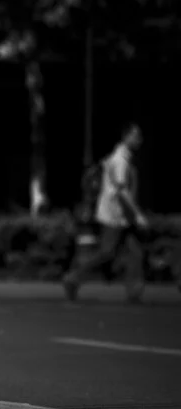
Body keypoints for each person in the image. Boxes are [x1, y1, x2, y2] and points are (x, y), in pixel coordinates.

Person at [63, 122, 147, 303]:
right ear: (126, 137)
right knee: (107, 253)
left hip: (122, 216)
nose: (139, 140)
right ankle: (73, 278)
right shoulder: (120, 160)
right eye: (136, 136)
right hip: (114, 216)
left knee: (135, 252)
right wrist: (138, 214)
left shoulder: (119, 158)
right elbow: (122, 191)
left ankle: (135, 292)